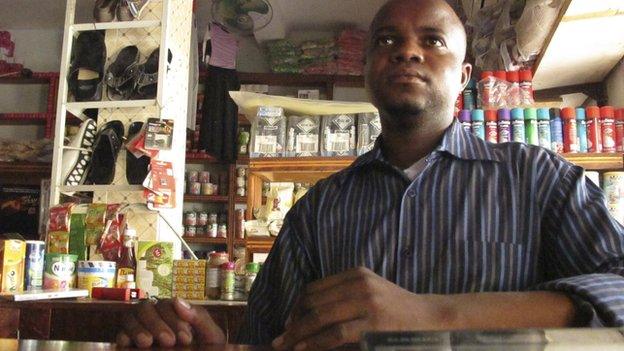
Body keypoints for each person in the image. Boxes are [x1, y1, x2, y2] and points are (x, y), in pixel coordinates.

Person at [117, 0, 624, 349]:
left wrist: (434, 316)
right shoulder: (319, 211)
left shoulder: (540, 181)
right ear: (366, 69)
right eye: (388, 39)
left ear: (464, 76)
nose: (408, 51)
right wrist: (214, 343)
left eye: (433, 40)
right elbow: (270, 335)